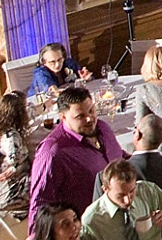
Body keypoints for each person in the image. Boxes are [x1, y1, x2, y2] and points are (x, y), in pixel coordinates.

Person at [29, 85, 126, 216]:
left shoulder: (103, 128)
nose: (89, 119)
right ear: (63, 117)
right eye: (80, 116)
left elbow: (119, 155)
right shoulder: (53, 152)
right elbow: (40, 204)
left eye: (91, 111)